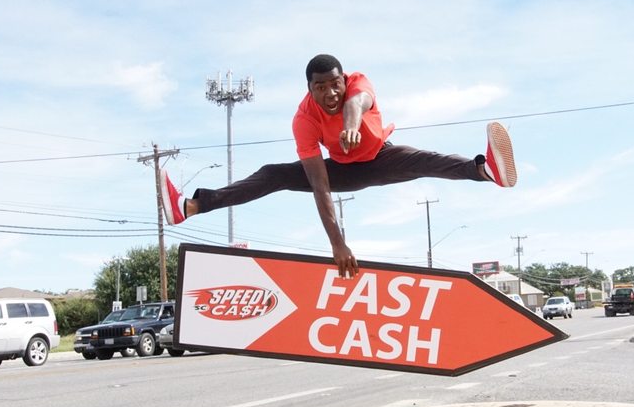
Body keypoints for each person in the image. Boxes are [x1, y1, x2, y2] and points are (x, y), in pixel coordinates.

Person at [160, 53, 517, 278]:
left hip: (380, 158)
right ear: (309, 89)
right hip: (340, 172)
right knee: (273, 174)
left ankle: (487, 171)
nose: (330, 94)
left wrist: (350, 124)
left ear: (344, 80)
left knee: (424, 160)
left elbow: (357, 104)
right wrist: (338, 244)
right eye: (320, 88)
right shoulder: (303, 119)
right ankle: (191, 206)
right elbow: (319, 185)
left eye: (335, 85)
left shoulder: (358, 85)